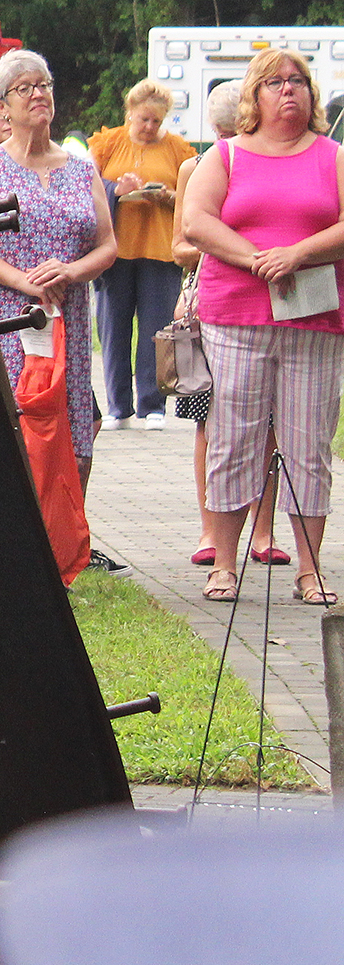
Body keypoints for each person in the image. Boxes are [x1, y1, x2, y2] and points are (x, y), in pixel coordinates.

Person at [177, 47, 344, 608]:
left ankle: (310, 570)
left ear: (312, 96)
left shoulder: (332, 156)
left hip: (315, 318)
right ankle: (224, 564)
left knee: (308, 443)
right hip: (237, 316)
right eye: (275, 82)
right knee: (234, 439)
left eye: (298, 81)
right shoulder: (225, 155)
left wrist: (297, 254)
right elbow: (196, 222)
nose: (288, 90)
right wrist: (255, 258)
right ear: (255, 95)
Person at [0, 51, 115, 492]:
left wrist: (70, 270)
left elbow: (108, 245)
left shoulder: (82, 169)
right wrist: (21, 280)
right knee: (19, 436)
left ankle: (67, 548)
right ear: (1, 108)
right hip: (11, 324)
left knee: (73, 442)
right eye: (24, 88)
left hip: (70, 324)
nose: (38, 94)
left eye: (43, 85)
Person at [172, 83, 281, 568]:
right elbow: (179, 246)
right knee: (208, 421)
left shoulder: (277, 164)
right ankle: (210, 532)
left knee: (274, 425)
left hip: (278, 308)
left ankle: (263, 529)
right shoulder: (195, 167)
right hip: (213, 308)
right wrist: (233, 245)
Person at [90, 79, 194, 431]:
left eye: (156, 122)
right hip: (114, 251)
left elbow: (194, 197)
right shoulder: (108, 143)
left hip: (159, 251)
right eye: (143, 119)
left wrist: (165, 196)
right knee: (113, 327)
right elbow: (85, 188)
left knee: (156, 329)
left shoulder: (178, 149)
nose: (149, 127)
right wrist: (116, 190)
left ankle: (153, 403)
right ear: (129, 113)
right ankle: (118, 405)